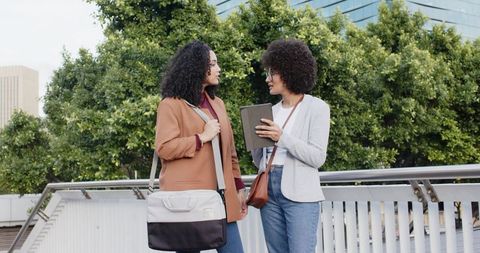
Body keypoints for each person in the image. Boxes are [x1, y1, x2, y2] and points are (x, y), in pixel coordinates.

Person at [155, 41, 247, 253]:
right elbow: (164, 148)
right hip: (187, 201)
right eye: (213, 64)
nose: (218, 69)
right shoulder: (170, 104)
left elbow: (230, 151)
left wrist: (239, 186)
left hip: (221, 198)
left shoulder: (218, 104)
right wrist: (201, 138)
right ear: (197, 67)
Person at [252, 39, 331, 253]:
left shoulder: (317, 108)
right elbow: (259, 160)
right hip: (268, 191)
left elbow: (317, 157)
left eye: (272, 73)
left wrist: (281, 137)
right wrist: (254, 141)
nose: (268, 79)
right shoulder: (271, 111)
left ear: (289, 71)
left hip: (300, 193)